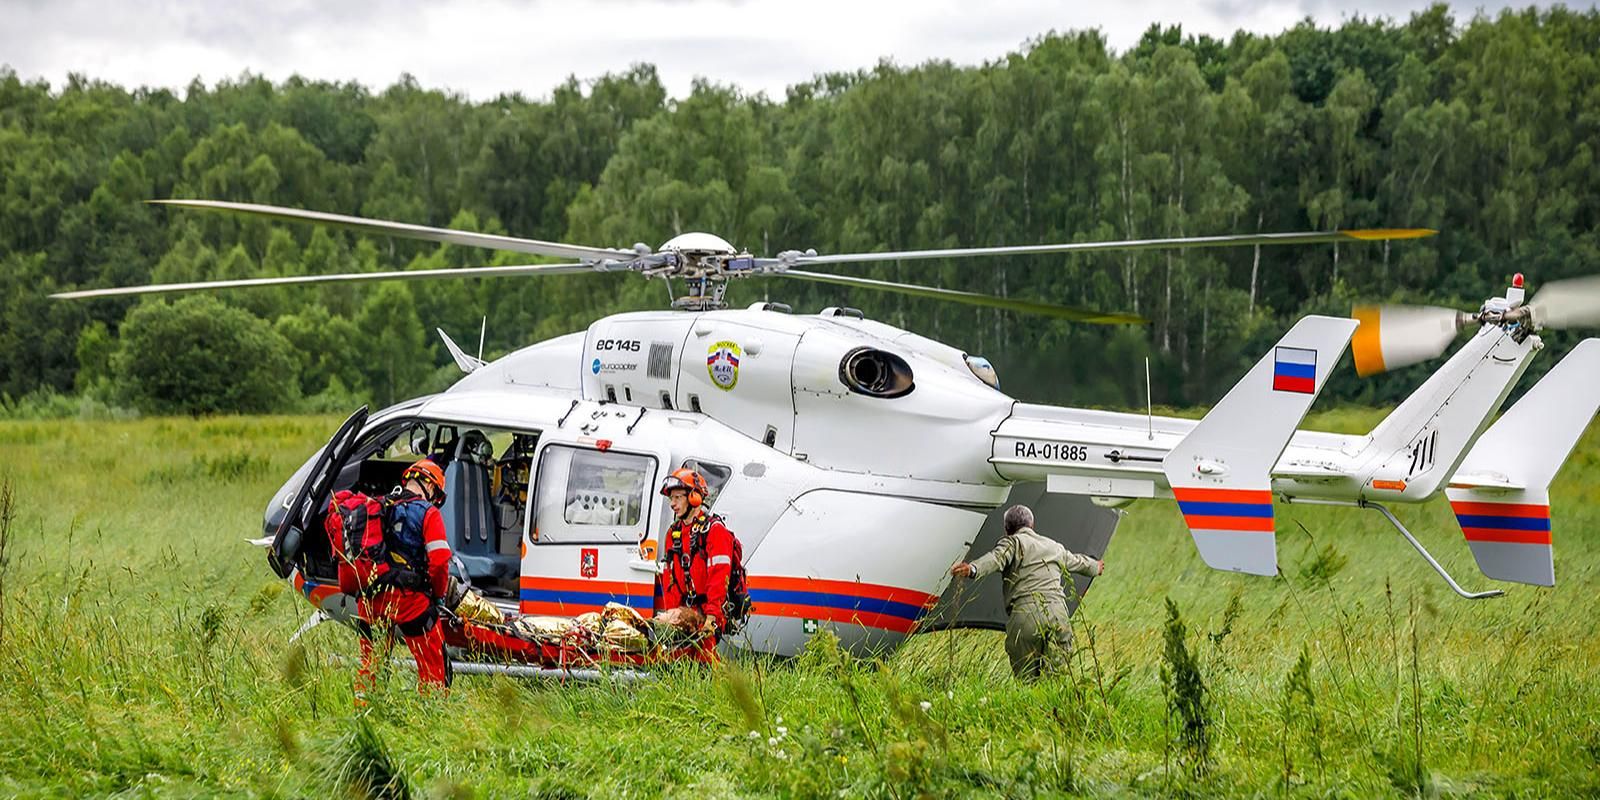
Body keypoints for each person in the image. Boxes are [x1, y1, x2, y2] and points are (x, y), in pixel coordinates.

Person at [949, 504, 1104, 680]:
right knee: (1057, 681)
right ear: (1032, 525)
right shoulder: (1054, 546)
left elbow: (996, 558)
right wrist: (1096, 566)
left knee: (1027, 682)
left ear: (1007, 529)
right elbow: (1078, 562)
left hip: (1026, 615)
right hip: (1058, 614)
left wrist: (972, 569)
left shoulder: (1013, 542)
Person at [350, 458, 454, 696]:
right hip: (409, 601)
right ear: (431, 488)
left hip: (370, 599)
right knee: (434, 670)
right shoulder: (428, 514)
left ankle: (363, 720)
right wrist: (437, 597)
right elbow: (439, 563)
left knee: (370, 671)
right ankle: (430, 719)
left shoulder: (377, 505)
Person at [657, 468, 737, 637]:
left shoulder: (715, 531)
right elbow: (669, 580)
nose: (672, 503)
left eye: (678, 497)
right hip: (681, 616)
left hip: (707, 615)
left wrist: (712, 617)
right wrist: (672, 614)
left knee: (705, 661)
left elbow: (719, 578)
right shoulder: (673, 534)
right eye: (671, 498)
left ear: (694, 497)